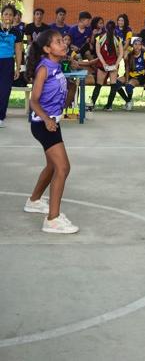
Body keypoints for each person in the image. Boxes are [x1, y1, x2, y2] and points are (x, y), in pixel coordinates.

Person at [24, 29, 78, 233]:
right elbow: (34, 100)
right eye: (58, 42)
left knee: (52, 167)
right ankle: (52, 219)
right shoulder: (44, 69)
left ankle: (34, 200)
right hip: (42, 124)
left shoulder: (57, 66)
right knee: (63, 168)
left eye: (63, 41)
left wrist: (70, 89)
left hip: (52, 122)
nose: (63, 44)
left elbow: (59, 100)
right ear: (47, 49)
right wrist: (46, 119)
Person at [92, 20, 127, 111]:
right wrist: (116, 64)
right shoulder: (118, 39)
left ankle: (92, 104)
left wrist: (103, 64)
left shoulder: (99, 38)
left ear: (105, 28)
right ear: (115, 28)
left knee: (98, 85)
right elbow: (121, 53)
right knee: (113, 85)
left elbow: (98, 52)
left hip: (102, 64)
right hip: (113, 64)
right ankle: (109, 106)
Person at [0, 4, 24, 128]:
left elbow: (18, 50)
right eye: (5, 14)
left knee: (4, 91)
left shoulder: (16, 32)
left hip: (8, 63)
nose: (8, 16)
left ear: (14, 17)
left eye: (10, 14)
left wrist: (18, 67)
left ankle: (0, 117)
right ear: (1, 15)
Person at [117, 37, 145, 111]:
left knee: (128, 87)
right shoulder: (130, 54)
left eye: (139, 45)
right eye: (135, 44)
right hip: (130, 74)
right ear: (132, 45)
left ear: (141, 46)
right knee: (116, 84)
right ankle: (128, 100)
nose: (137, 46)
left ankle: (128, 102)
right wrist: (126, 79)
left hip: (140, 76)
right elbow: (127, 67)